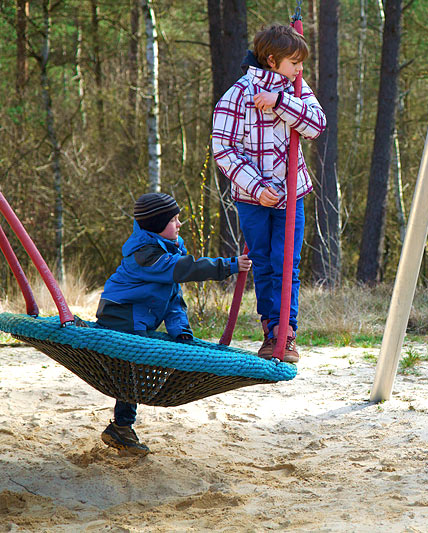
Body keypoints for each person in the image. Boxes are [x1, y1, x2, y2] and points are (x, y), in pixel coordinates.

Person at [96, 192, 252, 455]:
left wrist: (182, 334)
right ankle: (122, 426)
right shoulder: (146, 255)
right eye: (174, 220)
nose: (179, 224)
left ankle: (121, 427)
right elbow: (186, 269)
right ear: (157, 225)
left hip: (138, 319)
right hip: (121, 316)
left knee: (130, 374)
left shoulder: (168, 250)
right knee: (130, 371)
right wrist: (228, 266)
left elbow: (174, 300)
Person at [212, 24, 326, 364]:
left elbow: (316, 125)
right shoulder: (237, 95)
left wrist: (280, 103)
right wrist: (257, 188)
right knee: (262, 263)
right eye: (294, 62)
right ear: (272, 60)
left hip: (293, 194)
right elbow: (224, 148)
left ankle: (287, 333)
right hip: (253, 199)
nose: (299, 69)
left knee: (286, 262)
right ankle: (270, 329)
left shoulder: (295, 89)